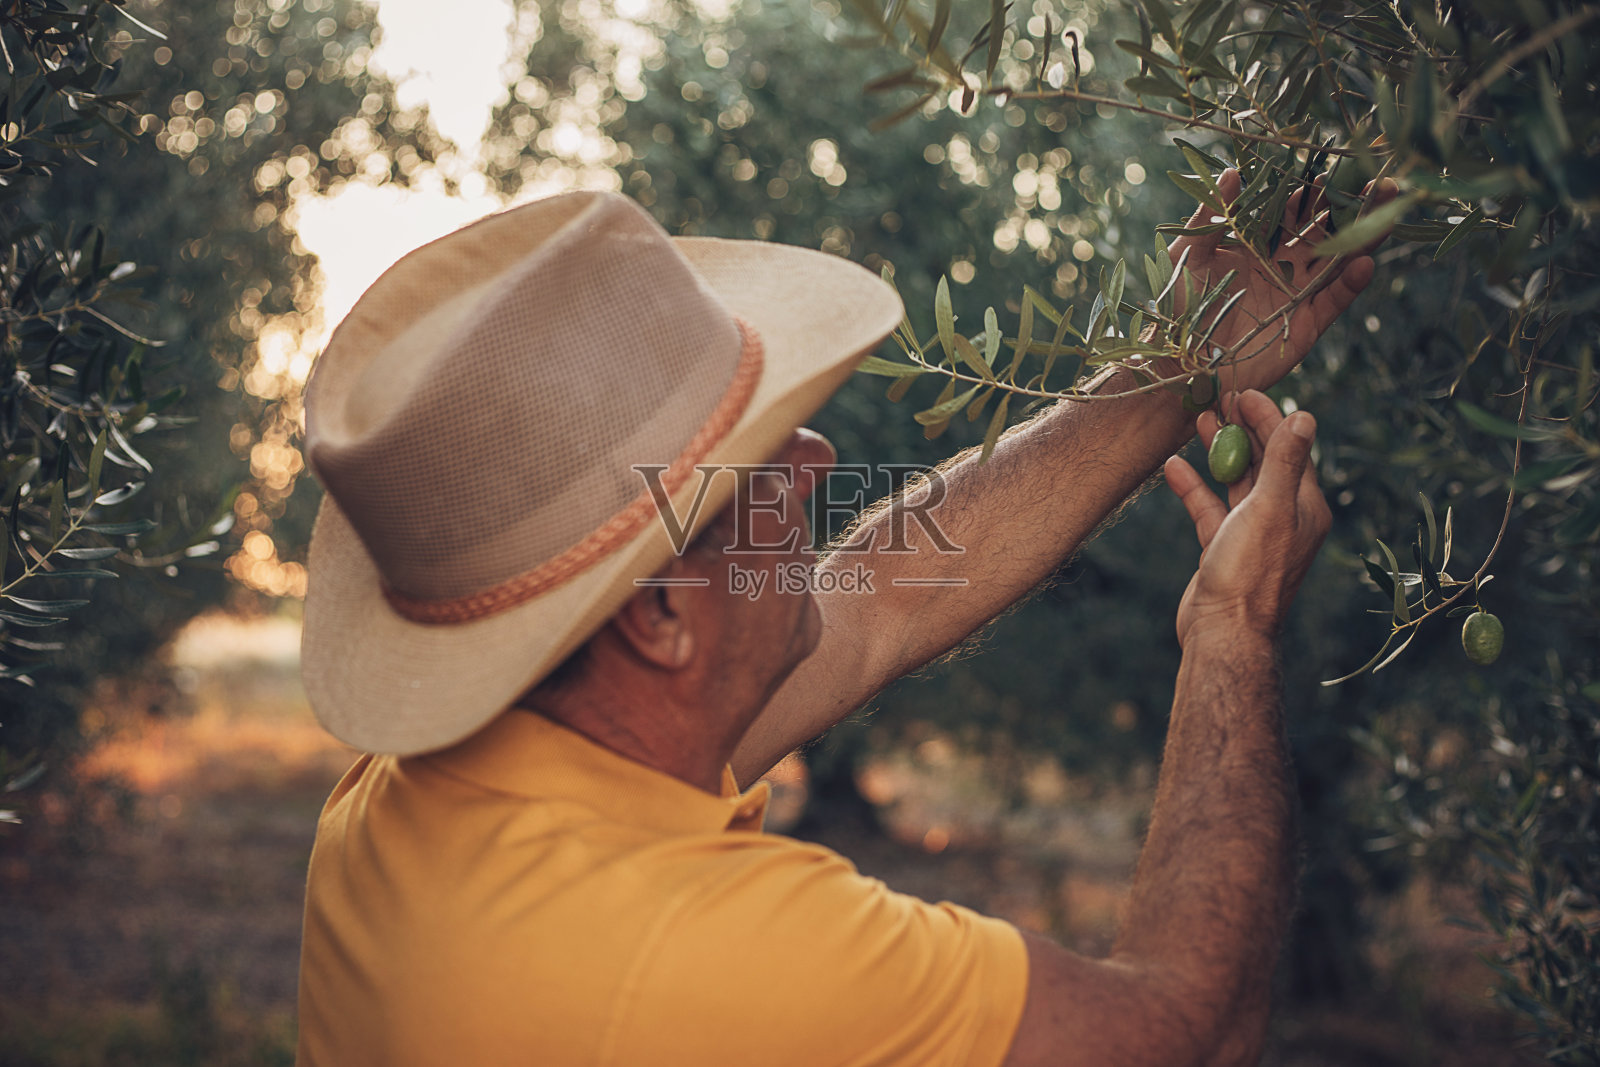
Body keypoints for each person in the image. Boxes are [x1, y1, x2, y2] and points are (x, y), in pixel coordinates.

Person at [295, 174, 1392, 1065]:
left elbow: (878, 594)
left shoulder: (404, 807)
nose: (817, 459)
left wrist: (1180, 362)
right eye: (759, 463)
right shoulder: (699, 955)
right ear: (664, 613)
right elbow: (1185, 1034)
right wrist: (1233, 631)